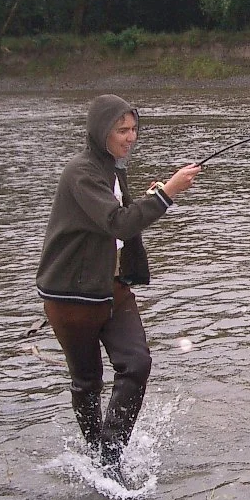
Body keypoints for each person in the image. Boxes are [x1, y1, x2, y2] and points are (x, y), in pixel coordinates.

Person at [36, 94, 200, 475]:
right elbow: (119, 224)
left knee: (137, 363)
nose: (131, 137)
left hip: (112, 287)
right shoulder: (81, 173)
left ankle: (110, 452)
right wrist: (167, 193)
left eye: (133, 129)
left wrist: (148, 198)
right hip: (71, 295)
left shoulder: (110, 171)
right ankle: (100, 457)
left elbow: (119, 223)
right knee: (87, 381)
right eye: (121, 130)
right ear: (100, 132)